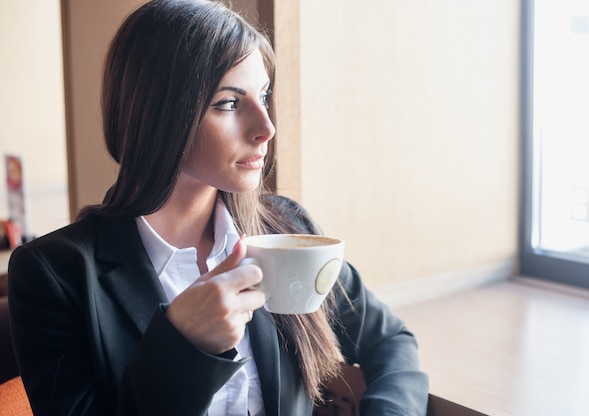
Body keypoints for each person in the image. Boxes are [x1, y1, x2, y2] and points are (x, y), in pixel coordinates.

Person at [8, 0, 429, 414]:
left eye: (263, 95)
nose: (266, 128)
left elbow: (390, 341)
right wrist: (185, 346)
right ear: (160, 115)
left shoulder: (286, 229)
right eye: (228, 103)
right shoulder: (55, 275)